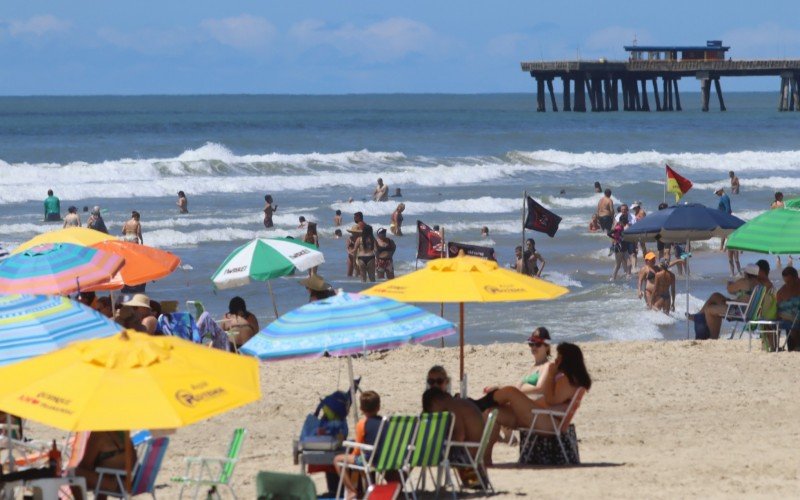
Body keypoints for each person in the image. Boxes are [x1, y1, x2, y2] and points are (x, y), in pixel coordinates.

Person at [472, 342, 591, 465]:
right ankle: (486, 459)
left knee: (510, 391)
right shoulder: (568, 379)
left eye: (559, 357)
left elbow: (550, 399)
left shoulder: (568, 380)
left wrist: (550, 374)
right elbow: (549, 398)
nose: (556, 359)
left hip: (549, 422)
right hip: (542, 416)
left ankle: (476, 405)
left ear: (568, 360)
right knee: (493, 412)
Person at [691, 260, 772, 339]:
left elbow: (730, 290)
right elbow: (745, 294)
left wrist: (730, 284)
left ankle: (713, 337)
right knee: (715, 295)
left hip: (739, 311)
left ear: (746, 273)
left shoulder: (744, 281)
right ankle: (698, 315)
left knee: (709, 309)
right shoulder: (759, 284)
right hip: (748, 310)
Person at [334, 391, 383, 499]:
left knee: (338, 460)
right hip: (385, 459)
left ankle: (351, 491)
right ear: (378, 407)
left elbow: (357, 449)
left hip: (370, 460)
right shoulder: (385, 422)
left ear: (361, 409)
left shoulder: (362, 424)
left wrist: (353, 455)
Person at [482, 328, 553, 399]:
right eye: (531, 343)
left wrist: (512, 392)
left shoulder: (547, 366)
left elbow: (540, 388)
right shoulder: (533, 367)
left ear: (547, 346)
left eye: (538, 343)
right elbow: (517, 387)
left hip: (531, 407)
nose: (534, 347)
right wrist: (498, 387)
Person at [74, 431, 137, 499]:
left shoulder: (99, 434)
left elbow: (85, 465)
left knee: (74, 474)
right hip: (130, 480)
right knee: (102, 469)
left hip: (117, 484)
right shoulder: (123, 433)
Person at [776, 266, 800, 350]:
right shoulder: (782, 291)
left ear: (797, 278)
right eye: (785, 281)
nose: (787, 284)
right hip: (790, 319)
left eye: (790, 281)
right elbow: (778, 308)